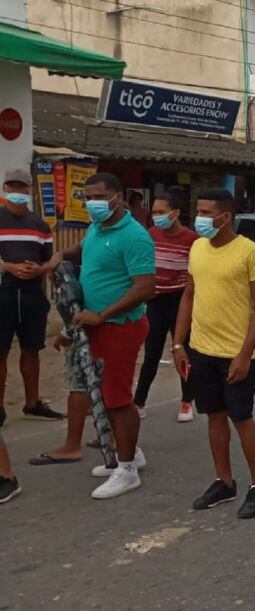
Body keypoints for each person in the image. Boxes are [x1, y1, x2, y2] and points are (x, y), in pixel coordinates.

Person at [43, 172, 155, 499]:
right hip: (95, 325)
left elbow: (146, 287)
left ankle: (127, 470)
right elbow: (85, 248)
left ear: (118, 197)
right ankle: (130, 454)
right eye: (86, 197)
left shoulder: (134, 236)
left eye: (98, 197)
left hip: (120, 326)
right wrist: (62, 256)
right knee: (106, 396)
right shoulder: (98, 227)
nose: (91, 203)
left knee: (119, 399)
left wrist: (103, 314)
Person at [173, 188, 255, 519]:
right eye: (197, 212)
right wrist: (178, 344)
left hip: (234, 353)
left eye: (205, 212)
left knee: (241, 418)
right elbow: (188, 295)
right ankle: (224, 481)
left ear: (225, 217)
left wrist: (245, 354)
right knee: (214, 416)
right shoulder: (197, 248)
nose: (199, 219)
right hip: (200, 350)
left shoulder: (250, 252)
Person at [0, 168, 64, 426]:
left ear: (29, 190)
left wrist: (41, 269)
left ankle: (33, 402)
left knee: (32, 349)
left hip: (32, 295)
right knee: (0, 351)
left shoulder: (40, 226)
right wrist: (8, 266)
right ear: (5, 189)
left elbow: (50, 259)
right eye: (11, 187)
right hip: (3, 292)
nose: (16, 192)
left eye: (21, 187)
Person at [134, 189, 199, 422]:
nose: (156, 216)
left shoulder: (193, 240)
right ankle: (139, 402)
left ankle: (186, 402)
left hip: (179, 301)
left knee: (182, 349)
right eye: (154, 212)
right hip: (155, 301)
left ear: (176, 213)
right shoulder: (150, 234)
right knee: (151, 353)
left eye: (162, 212)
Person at [26, 330, 92, 465]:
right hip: (116, 324)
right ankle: (112, 437)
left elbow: (82, 310)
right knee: (106, 378)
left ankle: (72, 447)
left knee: (78, 385)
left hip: (89, 329)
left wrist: (68, 332)